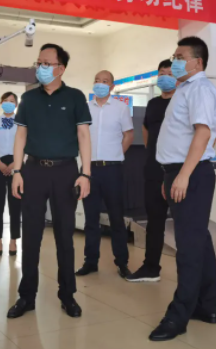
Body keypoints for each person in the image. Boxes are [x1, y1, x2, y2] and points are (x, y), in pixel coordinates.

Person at [7, 43, 92, 319]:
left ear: (60, 68)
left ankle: (67, 295)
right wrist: (17, 171)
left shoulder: (76, 97)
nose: (40, 67)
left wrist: (85, 173)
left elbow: (83, 136)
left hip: (66, 171)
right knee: (31, 236)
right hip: (33, 170)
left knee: (64, 236)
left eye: (46, 63)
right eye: (39, 62)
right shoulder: (28, 98)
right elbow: (20, 136)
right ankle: (26, 296)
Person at [148, 36, 216, 342]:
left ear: (197, 62)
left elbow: (203, 133)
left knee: (188, 247)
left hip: (189, 172)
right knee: (199, 239)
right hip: (179, 171)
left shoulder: (200, 88)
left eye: (180, 57)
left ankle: (178, 316)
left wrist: (183, 175)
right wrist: (172, 176)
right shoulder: (185, 89)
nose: (174, 62)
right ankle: (207, 305)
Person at [76, 70, 133, 278]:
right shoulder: (84, 108)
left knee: (116, 218)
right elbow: (79, 135)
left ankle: (122, 263)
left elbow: (129, 134)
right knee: (91, 219)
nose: (100, 84)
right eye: (97, 80)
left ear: (112, 86)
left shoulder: (120, 108)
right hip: (89, 170)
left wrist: (117, 154)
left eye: (105, 81)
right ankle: (90, 262)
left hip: (112, 169)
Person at [127, 60, 176, 283]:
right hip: (154, 170)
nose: (164, 77)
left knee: (187, 224)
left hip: (178, 170)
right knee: (154, 222)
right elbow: (146, 128)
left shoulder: (184, 100)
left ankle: (201, 274)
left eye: (169, 73)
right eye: (161, 73)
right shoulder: (153, 104)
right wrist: (153, 152)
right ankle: (151, 267)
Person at [0, 92, 21, 257]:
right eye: (6, 101)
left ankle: (13, 240)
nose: (9, 103)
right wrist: (0, 164)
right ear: (1, 103)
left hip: (16, 165)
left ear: (16, 104)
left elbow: (24, 145)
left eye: (12, 101)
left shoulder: (22, 122)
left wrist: (14, 165)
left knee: (16, 204)